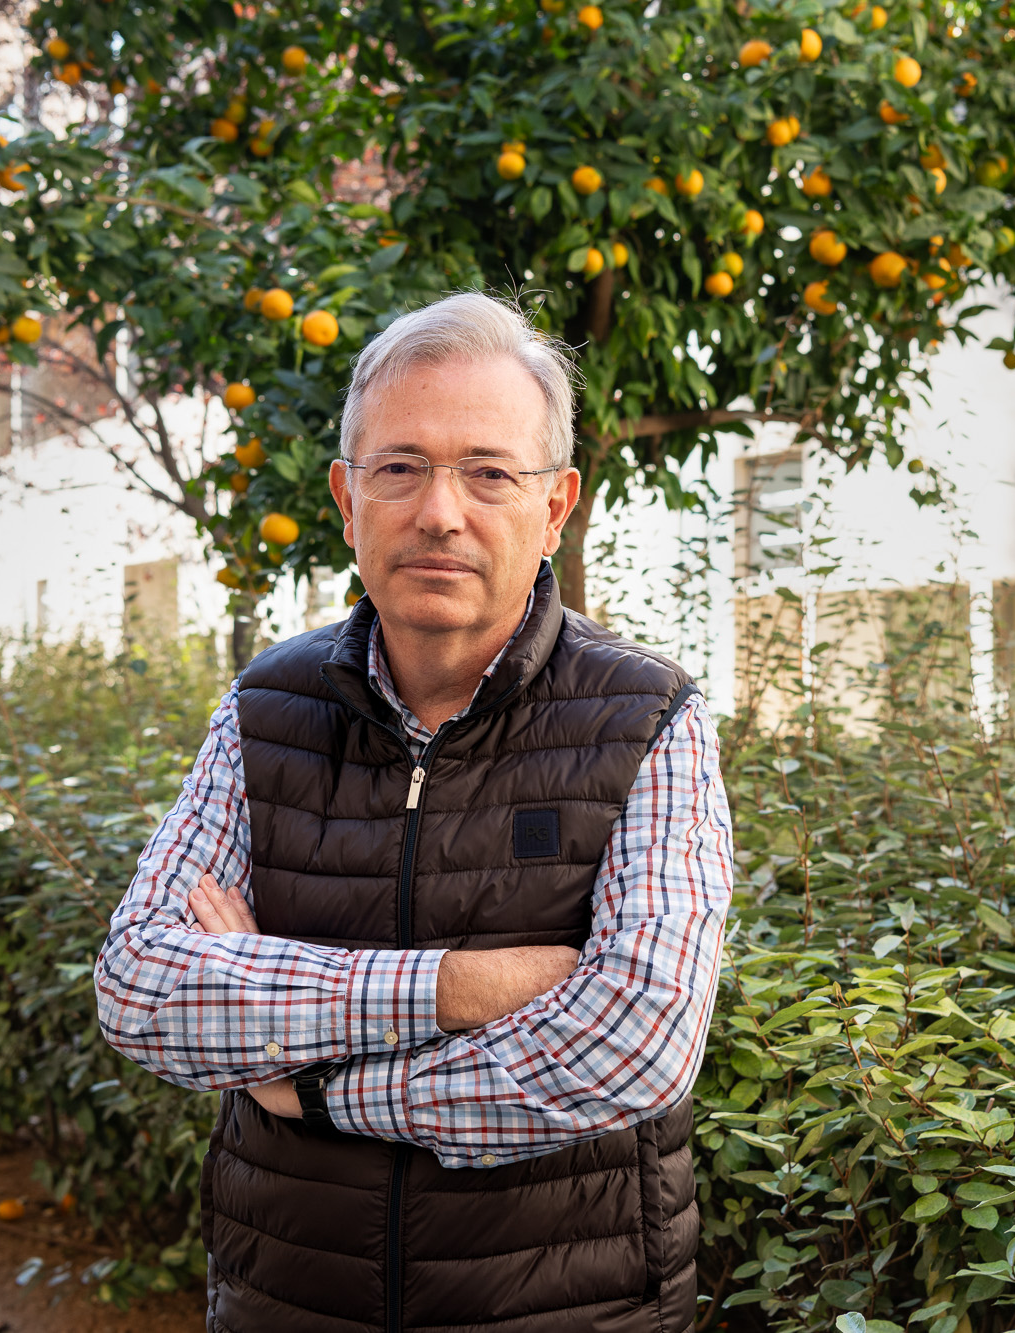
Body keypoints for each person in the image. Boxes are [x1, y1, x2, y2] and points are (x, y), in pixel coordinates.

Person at [95, 290, 733, 1332]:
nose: (441, 510)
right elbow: (144, 986)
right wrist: (459, 988)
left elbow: (633, 1043)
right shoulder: (266, 712)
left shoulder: (647, 719)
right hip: (289, 1302)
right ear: (347, 501)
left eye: (488, 472)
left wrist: (313, 1087)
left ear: (554, 506)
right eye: (400, 468)